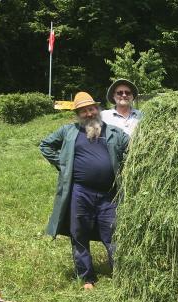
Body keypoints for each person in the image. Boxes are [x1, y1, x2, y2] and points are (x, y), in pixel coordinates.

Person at [39, 91, 129, 290]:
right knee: (79, 233)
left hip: (109, 193)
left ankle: (121, 273)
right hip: (80, 192)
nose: (89, 113)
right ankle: (87, 278)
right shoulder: (68, 132)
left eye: (91, 109)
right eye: (83, 111)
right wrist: (62, 164)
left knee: (114, 233)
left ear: (97, 109)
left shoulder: (113, 132)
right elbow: (45, 145)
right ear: (78, 114)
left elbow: (133, 149)